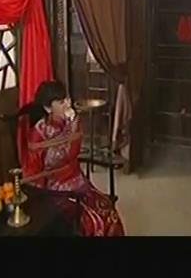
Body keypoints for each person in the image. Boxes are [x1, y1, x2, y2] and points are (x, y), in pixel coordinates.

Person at [16, 80, 124, 237]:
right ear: (48, 108)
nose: (68, 104)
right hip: (55, 189)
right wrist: (72, 127)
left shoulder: (69, 122)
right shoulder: (38, 133)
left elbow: (74, 151)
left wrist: (73, 124)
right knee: (96, 221)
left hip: (76, 179)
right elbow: (55, 160)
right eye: (61, 102)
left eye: (67, 99)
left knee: (108, 211)